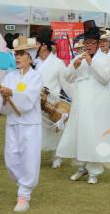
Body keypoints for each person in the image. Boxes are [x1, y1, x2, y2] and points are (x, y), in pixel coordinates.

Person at [56, 20, 110, 185]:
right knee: (78, 134)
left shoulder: (106, 59)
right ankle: (81, 167)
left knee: (94, 135)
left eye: (91, 43)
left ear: (98, 43)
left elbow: (105, 79)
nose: (88, 46)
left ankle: (94, 172)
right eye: (86, 43)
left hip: (97, 103)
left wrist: (91, 62)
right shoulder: (79, 57)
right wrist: (74, 66)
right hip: (80, 102)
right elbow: (67, 77)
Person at [0, 36, 43, 212]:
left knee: (29, 158)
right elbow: (1, 100)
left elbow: (28, 100)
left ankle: (24, 195)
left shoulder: (36, 77)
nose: (17, 57)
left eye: (21, 54)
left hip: (30, 124)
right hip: (13, 123)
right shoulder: (10, 76)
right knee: (11, 159)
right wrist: (3, 95)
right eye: (16, 54)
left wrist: (12, 94)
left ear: (30, 57)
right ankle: (22, 185)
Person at [34, 28, 72, 168]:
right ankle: (33, 155)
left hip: (52, 103)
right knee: (36, 130)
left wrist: (76, 99)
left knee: (55, 131)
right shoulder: (34, 63)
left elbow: (67, 85)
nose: (35, 46)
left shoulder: (58, 63)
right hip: (35, 102)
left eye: (37, 43)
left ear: (44, 45)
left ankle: (57, 156)